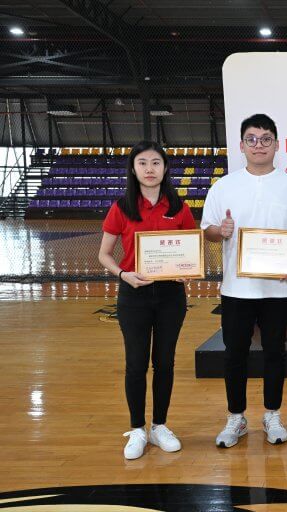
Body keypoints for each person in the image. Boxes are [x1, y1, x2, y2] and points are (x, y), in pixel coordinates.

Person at [201, 114, 287, 448]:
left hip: (278, 289)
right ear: (242, 145)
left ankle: (273, 414)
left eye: (266, 138)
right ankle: (236, 417)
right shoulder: (224, 187)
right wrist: (221, 231)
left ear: (276, 144)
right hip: (236, 289)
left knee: (275, 352)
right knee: (234, 354)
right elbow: (208, 230)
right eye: (252, 139)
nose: (259, 145)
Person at [98, 141, 195, 460]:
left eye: (156, 162)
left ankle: (159, 426)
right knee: (136, 363)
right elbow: (104, 254)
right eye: (142, 163)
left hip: (170, 297)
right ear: (133, 168)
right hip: (133, 295)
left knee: (165, 362)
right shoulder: (121, 207)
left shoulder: (178, 207)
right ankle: (138, 429)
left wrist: (186, 271)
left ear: (165, 168)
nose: (150, 169)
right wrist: (123, 274)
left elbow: (190, 252)